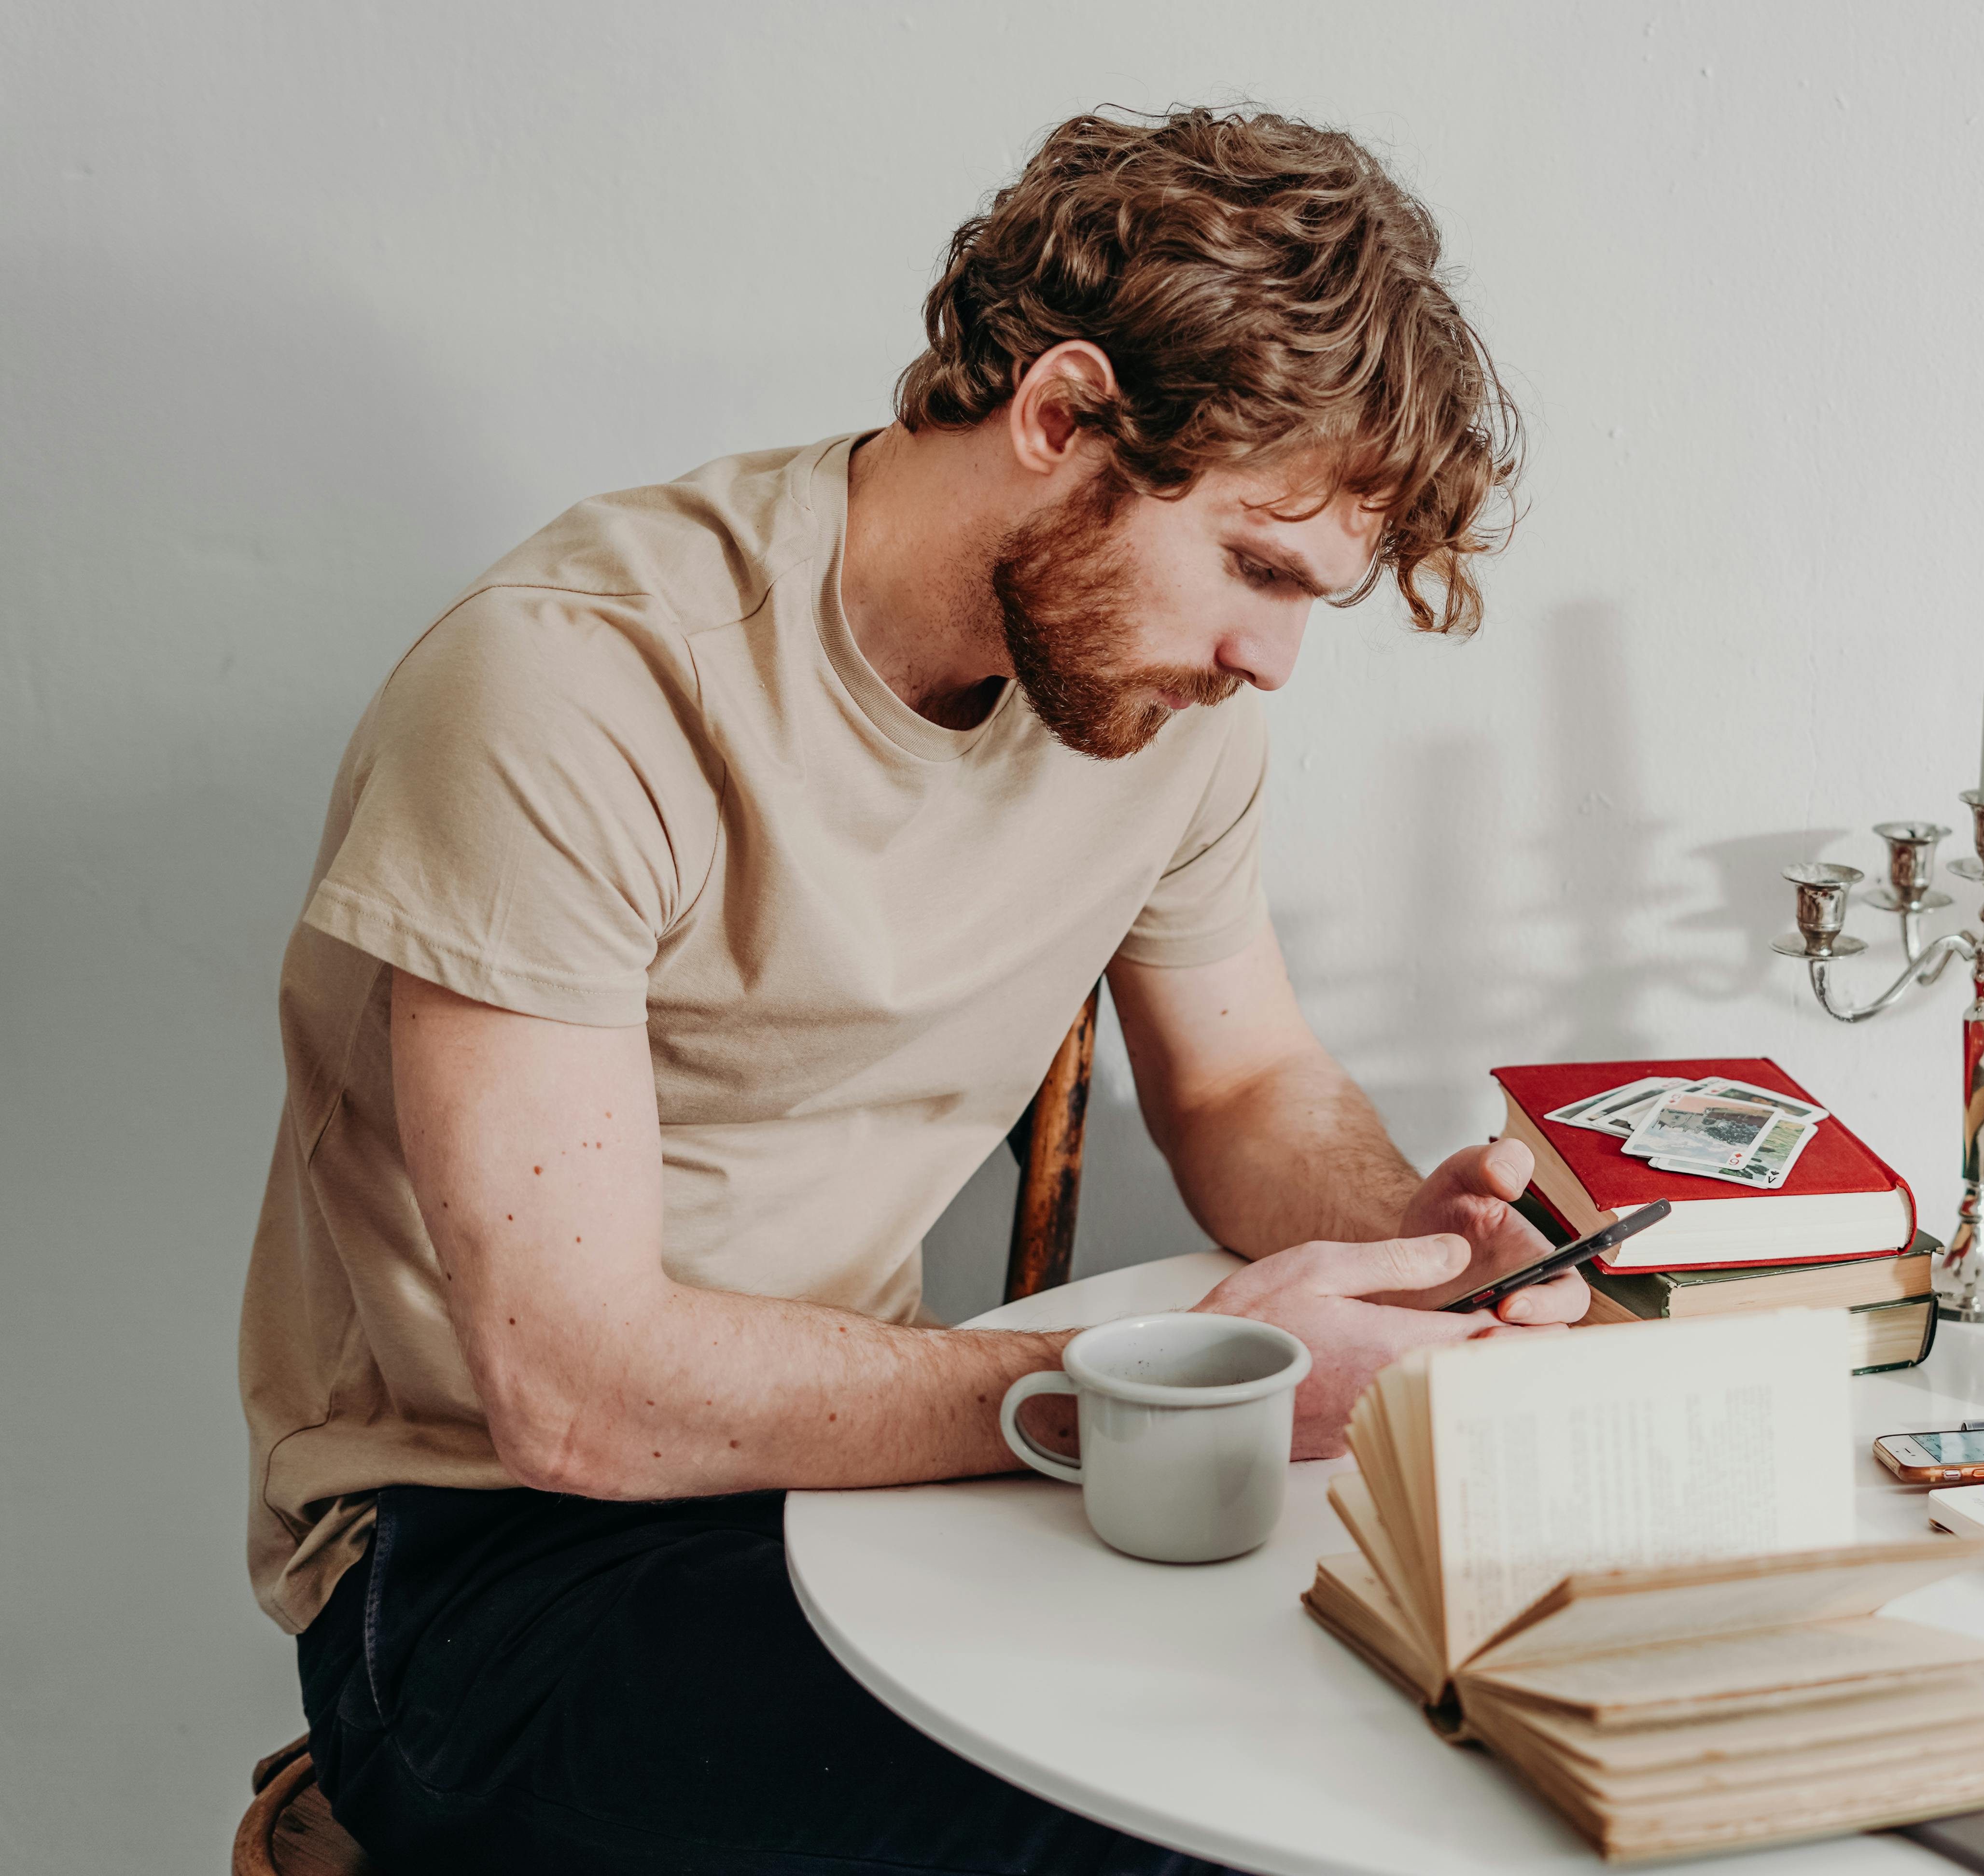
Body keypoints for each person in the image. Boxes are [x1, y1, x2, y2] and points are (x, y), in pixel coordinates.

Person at [237, 105, 1577, 1875]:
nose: (1271, 657)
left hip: (880, 1491)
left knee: (1442, 1754)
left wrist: (1416, 1246)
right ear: (1061, 418)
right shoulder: (575, 688)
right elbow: (576, 1394)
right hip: (486, 1555)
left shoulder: (1163, 717)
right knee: (1158, 1847)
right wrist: (1150, 1387)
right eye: (1256, 566)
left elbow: (1247, 1087)